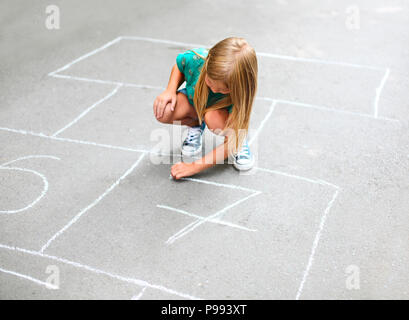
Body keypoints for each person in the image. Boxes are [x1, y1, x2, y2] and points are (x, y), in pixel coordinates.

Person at [153, 37, 258, 179]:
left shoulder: (241, 93)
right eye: (209, 82)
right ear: (207, 63)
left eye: (222, 90)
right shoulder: (197, 60)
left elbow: (227, 145)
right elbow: (179, 65)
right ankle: (196, 124)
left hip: (219, 114)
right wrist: (170, 90)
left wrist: (193, 167)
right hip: (195, 101)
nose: (214, 90)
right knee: (164, 110)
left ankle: (238, 137)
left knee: (213, 119)